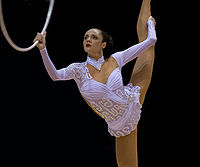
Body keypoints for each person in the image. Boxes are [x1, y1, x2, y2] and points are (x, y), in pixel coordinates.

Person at [34, 0, 156, 166]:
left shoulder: (115, 59)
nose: (88, 39)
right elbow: (55, 75)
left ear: (103, 44)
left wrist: (151, 27)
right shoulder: (77, 70)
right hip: (121, 124)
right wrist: (43, 50)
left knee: (148, 51)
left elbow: (148, 41)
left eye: (94, 37)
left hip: (134, 98)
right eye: (85, 37)